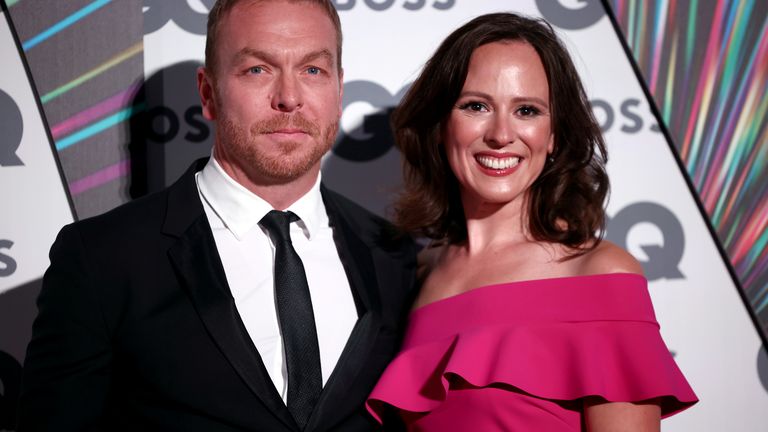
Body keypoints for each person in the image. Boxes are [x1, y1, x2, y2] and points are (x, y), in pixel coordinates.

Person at [17, 1, 418, 431]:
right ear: (208, 94)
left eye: (312, 70)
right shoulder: (102, 259)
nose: (289, 97)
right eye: (257, 70)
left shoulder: (392, 255)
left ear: (339, 91)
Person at [366, 12, 697, 431]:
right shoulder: (422, 272)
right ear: (439, 126)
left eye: (526, 110)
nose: (502, 134)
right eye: (476, 106)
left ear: (554, 134)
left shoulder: (602, 276)